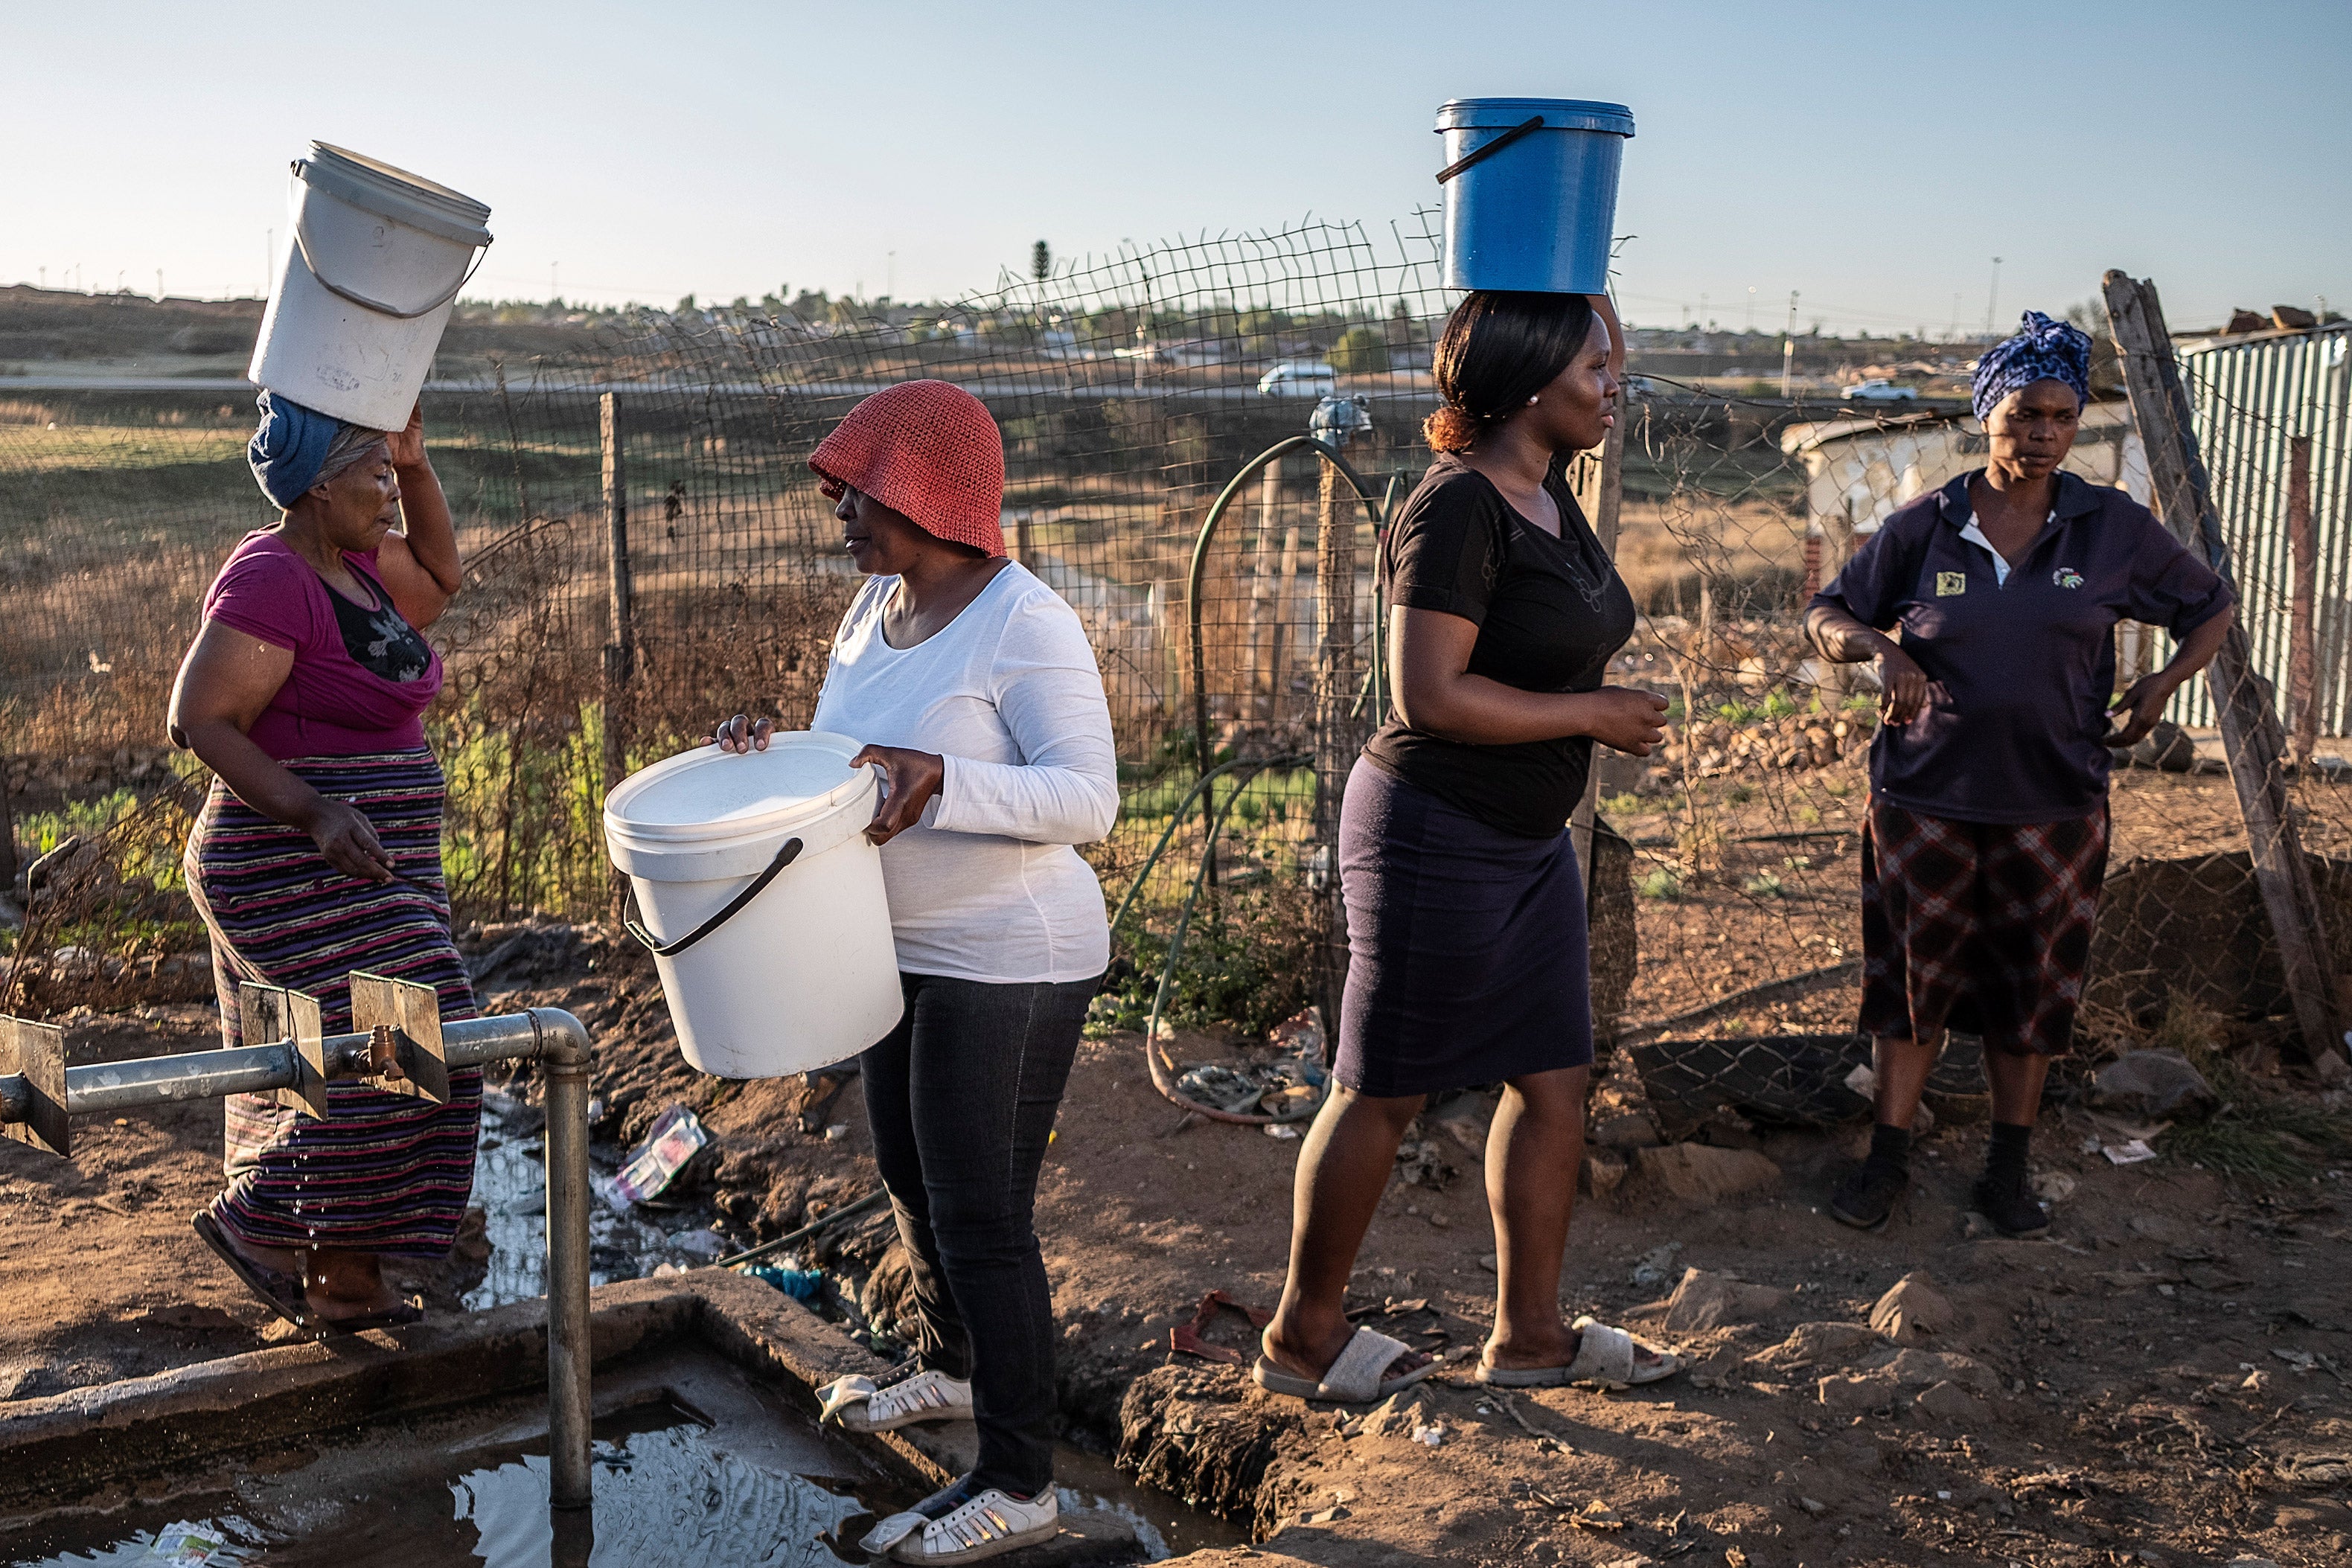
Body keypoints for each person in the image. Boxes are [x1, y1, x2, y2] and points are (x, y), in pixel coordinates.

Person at [710, 380, 1116, 1564]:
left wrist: (946, 775)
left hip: (1013, 952)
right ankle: (946, 1367)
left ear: (932, 494)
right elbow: (858, 761)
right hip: (898, 945)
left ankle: (1019, 1479)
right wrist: (770, 749)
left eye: (860, 491)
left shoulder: (1023, 621)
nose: (839, 510)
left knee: (982, 1208)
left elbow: (1087, 798)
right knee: (904, 1165)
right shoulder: (873, 611)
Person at [1254, 290, 1682, 1404]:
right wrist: (1593, 715)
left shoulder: (1548, 493)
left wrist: (1582, 278)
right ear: (1532, 381)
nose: (1613, 383)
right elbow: (1430, 692)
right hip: (1433, 830)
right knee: (1383, 1087)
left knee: (1553, 1080)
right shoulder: (1459, 506)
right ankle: (1302, 1335)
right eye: (1597, 365)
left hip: (1527, 839)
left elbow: (1548, 638)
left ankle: (1530, 1336)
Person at [1806, 310, 2234, 1236]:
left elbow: (2210, 604)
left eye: (2060, 418)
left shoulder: (2110, 527)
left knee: (2032, 988)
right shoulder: (1927, 524)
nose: (2041, 436)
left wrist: (2162, 682)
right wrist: (1880, 648)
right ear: (1985, 413)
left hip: (2054, 801)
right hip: (1924, 797)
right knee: (1913, 981)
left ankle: (2007, 1170)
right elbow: (1827, 612)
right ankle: (1887, 1160)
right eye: (2022, 415)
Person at [171, 391, 471, 1334]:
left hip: (360, 858)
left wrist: (416, 462)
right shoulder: (272, 574)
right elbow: (199, 717)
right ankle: (263, 1222)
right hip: (283, 857)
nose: (388, 491)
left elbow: (442, 576)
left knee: (357, 1053)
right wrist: (312, 810)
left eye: (390, 473)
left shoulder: (357, 568)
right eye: (373, 473)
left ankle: (342, 1279)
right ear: (316, 485)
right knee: (421, 1021)